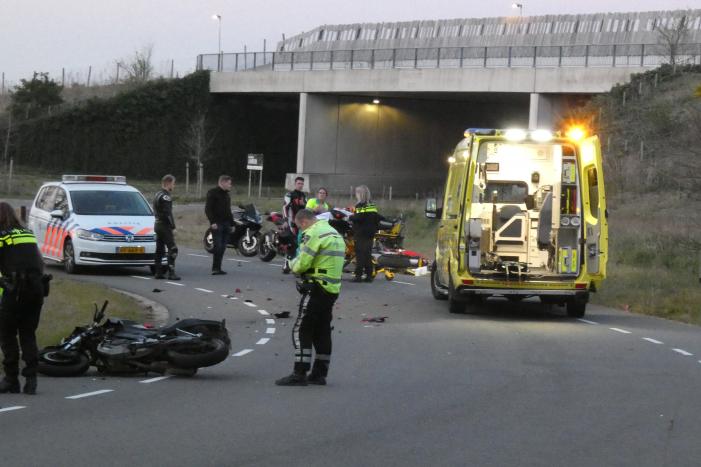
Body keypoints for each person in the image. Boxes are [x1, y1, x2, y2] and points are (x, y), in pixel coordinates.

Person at [275, 209, 345, 386]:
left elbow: (302, 264)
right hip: (332, 288)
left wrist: (290, 260)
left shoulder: (313, 233)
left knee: (301, 329)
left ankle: (299, 373)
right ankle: (319, 373)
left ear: (304, 222)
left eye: (299, 227)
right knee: (322, 330)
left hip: (316, 287)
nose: (300, 231)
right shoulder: (334, 233)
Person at [0, 202, 49, 395]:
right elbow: (38, 261)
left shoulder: (2, 237)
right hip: (36, 290)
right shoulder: (27, 233)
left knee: (7, 335)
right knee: (28, 334)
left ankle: (11, 379)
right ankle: (31, 380)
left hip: (14, 291)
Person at [350, 185, 384, 283]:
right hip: (370, 233)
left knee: (360, 254)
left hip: (361, 233)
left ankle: (358, 276)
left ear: (360, 194)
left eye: (357, 193)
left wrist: (350, 217)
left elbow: (359, 218)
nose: (356, 195)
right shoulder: (371, 205)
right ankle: (369, 275)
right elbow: (376, 217)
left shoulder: (360, 205)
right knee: (367, 254)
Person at [205, 175, 234, 275]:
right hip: (217, 224)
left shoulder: (227, 195)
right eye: (229, 183)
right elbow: (208, 209)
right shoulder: (212, 193)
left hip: (226, 223)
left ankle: (219, 267)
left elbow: (228, 210)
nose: (230, 185)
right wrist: (212, 222)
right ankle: (215, 268)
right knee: (218, 246)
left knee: (223, 246)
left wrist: (232, 223)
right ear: (223, 182)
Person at [153, 174, 180, 280]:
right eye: (173, 183)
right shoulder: (166, 196)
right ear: (168, 183)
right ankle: (171, 273)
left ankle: (158, 272)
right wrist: (173, 227)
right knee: (173, 249)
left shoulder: (157, 194)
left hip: (157, 224)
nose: (174, 186)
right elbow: (168, 213)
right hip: (164, 225)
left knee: (159, 249)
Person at [282, 176, 307, 273]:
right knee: (291, 243)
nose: (300, 185)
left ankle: (296, 265)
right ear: (295, 184)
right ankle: (286, 265)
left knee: (300, 244)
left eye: (302, 184)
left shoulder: (304, 196)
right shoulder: (289, 194)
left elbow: (307, 208)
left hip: (302, 223)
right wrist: (285, 220)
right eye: (299, 183)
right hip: (291, 222)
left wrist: (303, 204)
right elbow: (285, 207)